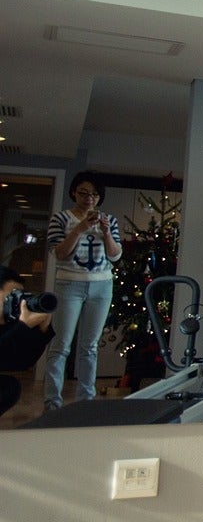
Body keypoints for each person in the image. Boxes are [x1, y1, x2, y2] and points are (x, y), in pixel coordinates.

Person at [43, 172, 121, 408]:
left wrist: (106, 232)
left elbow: (115, 255)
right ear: (74, 193)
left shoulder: (109, 220)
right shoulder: (61, 219)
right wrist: (79, 230)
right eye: (84, 193)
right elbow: (59, 253)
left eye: (95, 194)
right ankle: (52, 403)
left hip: (102, 285)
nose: (89, 199)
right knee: (61, 344)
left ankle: (86, 401)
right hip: (69, 284)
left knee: (90, 346)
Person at [0, 264, 56, 419]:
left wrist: (42, 331)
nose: (17, 302)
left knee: (9, 387)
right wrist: (23, 327)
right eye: (11, 295)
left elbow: (23, 362)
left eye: (20, 295)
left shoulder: (9, 323)